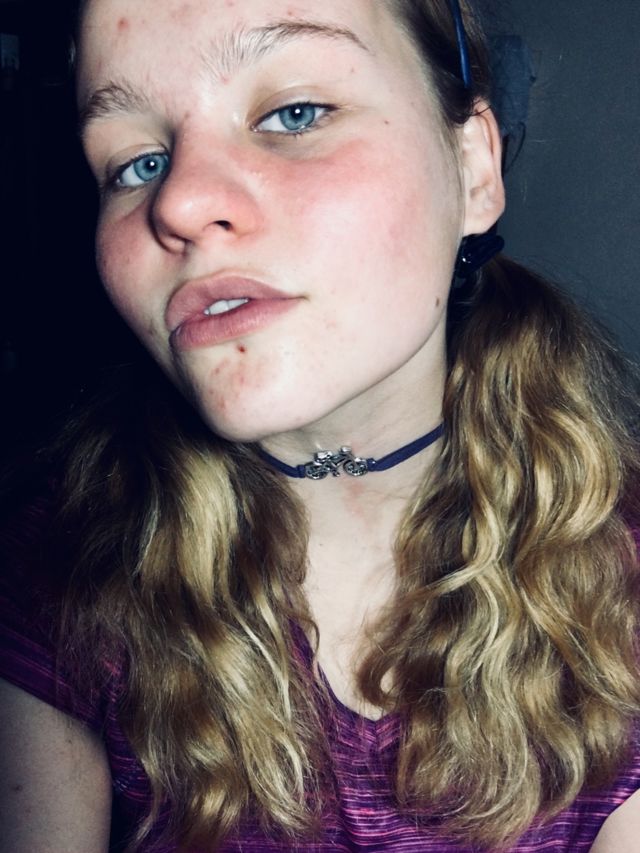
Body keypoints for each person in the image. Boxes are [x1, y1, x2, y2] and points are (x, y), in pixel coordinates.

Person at [1, 0, 640, 850]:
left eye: (295, 113)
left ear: (473, 169)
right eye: (135, 163)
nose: (180, 202)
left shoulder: (625, 576)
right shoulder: (53, 567)